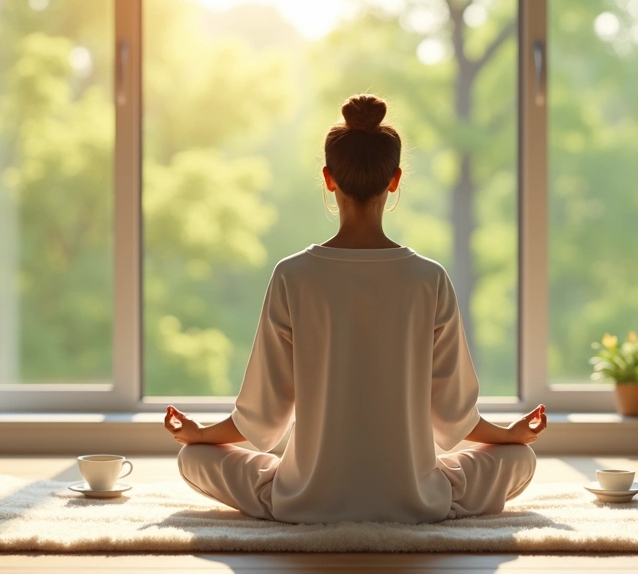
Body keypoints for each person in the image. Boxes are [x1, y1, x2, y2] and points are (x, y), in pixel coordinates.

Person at [165, 94, 546, 524]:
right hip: (415, 498)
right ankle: (415, 495)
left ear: (328, 179)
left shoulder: (293, 275)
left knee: (193, 458)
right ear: (395, 180)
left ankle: (299, 494)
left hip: (306, 498)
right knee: (520, 459)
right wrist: (510, 435)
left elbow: (263, 416)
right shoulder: (429, 278)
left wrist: (199, 434)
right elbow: (454, 416)